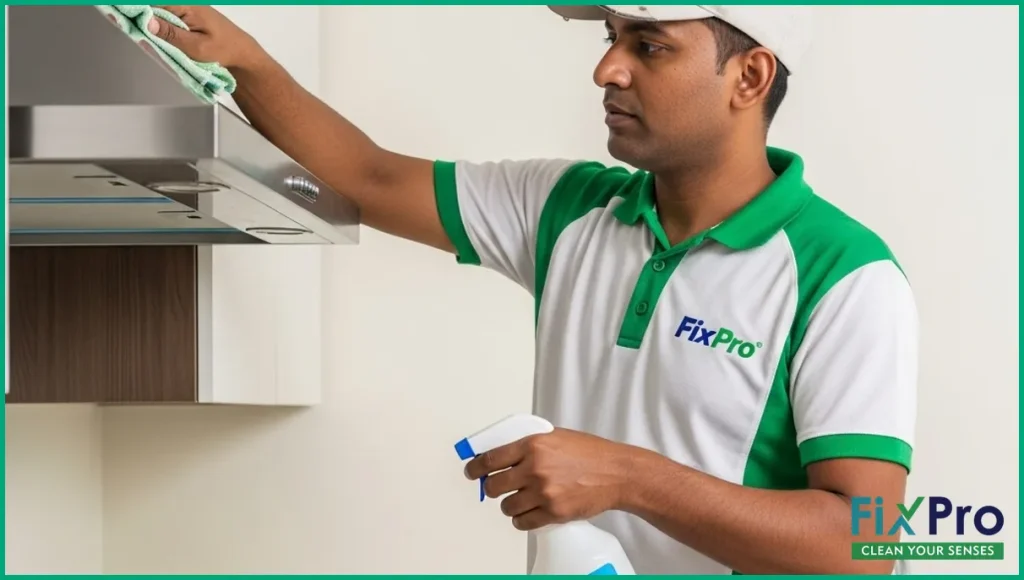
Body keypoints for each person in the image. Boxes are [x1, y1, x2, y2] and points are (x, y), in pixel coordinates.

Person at [149, 5, 918, 575]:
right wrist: (249, 63)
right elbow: (370, 178)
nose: (608, 69)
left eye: (648, 46)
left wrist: (626, 477)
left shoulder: (845, 273)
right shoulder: (569, 210)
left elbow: (869, 541)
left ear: (749, 77)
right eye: (610, 39)